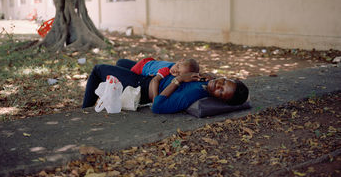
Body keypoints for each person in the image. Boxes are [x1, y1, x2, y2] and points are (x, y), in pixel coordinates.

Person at [82, 59, 249, 114]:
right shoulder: (207, 81)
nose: (218, 85)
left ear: (219, 99)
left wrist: (179, 80)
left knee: (98, 69)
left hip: (142, 85)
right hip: (152, 75)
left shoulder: (190, 94)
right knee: (121, 63)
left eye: (221, 92)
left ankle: (85, 109)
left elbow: (157, 106)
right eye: (223, 82)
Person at [130, 57, 199, 101]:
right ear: (181, 60)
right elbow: (154, 80)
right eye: (177, 67)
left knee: (121, 63)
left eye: (179, 74)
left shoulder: (176, 65)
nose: (175, 71)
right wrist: (155, 97)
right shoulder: (166, 70)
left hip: (149, 61)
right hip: (140, 68)